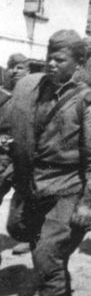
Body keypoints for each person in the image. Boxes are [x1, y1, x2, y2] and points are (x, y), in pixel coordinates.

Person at [2, 30, 91, 296]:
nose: (52, 64)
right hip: (34, 188)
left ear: (77, 63)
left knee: (47, 258)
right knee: (32, 242)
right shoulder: (33, 90)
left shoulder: (88, 103)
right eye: (49, 58)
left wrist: (89, 203)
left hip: (67, 192)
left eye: (60, 60)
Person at [0, 54, 32, 257]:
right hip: (5, 154)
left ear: (28, 71)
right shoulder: (3, 96)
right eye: (12, 67)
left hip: (27, 156)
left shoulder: (36, 95)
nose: (15, 71)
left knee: (26, 200)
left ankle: (30, 237)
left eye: (19, 67)